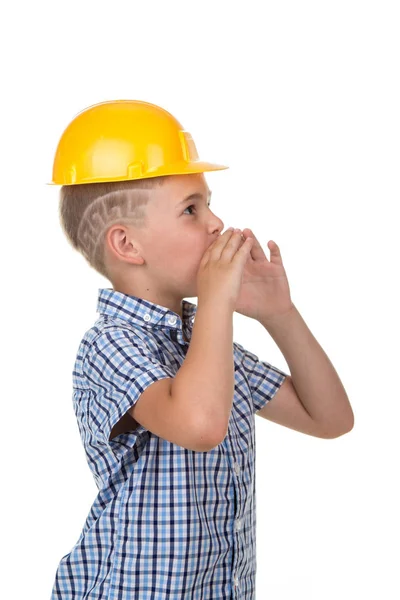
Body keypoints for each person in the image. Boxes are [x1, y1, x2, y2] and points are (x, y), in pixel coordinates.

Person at [48, 100, 353, 599]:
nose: (216, 223)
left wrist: (279, 313)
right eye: (192, 209)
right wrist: (217, 301)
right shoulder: (110, 345)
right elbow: (199, 425)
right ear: (127, 245)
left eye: (209, 203)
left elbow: (331, 419)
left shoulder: (204, 345)